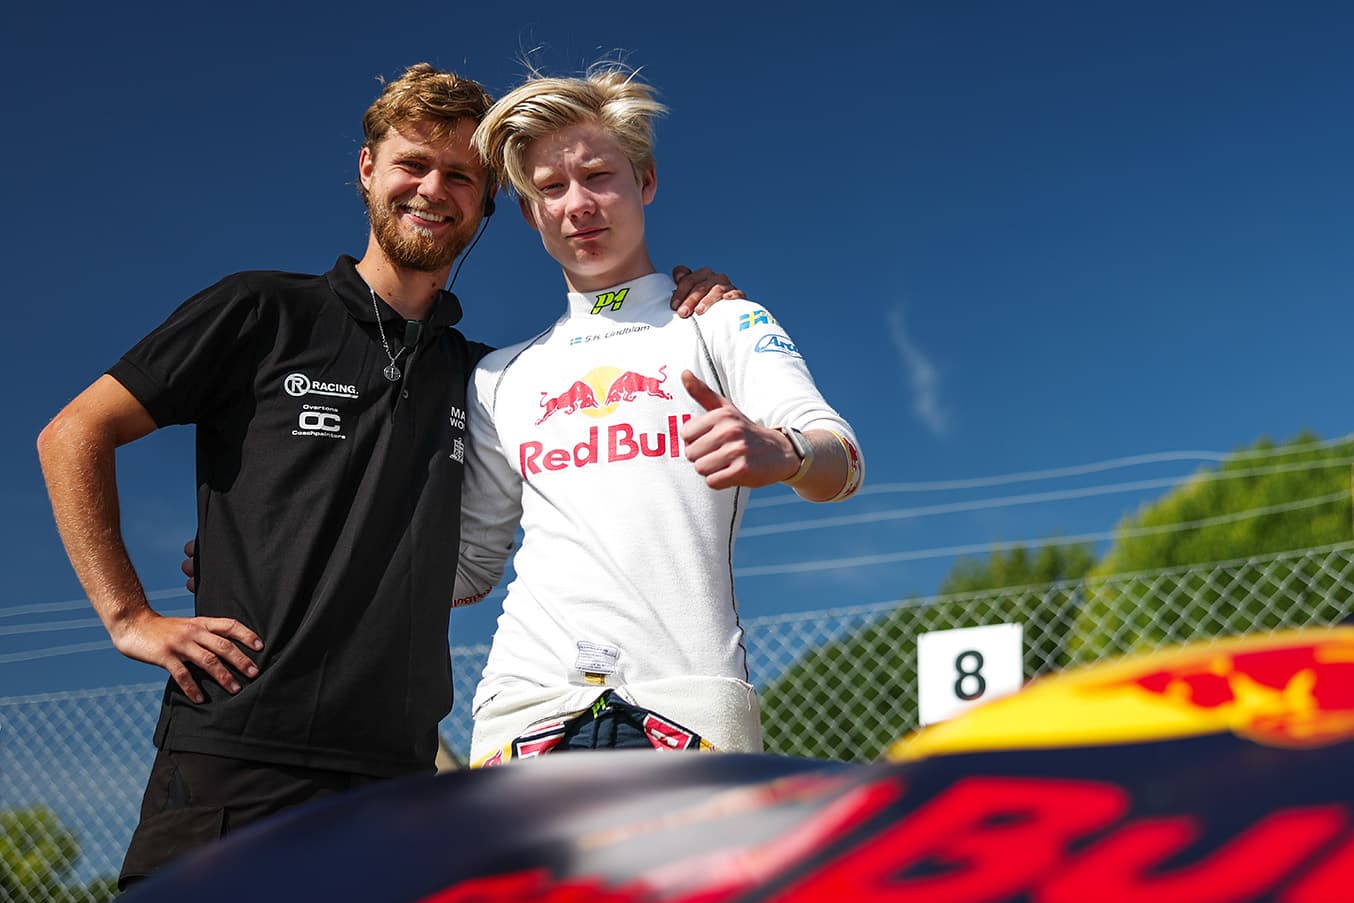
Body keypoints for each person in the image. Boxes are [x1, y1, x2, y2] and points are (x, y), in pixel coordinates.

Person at [35, 62, 738, 888]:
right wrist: (128, 614)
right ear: (368, 169)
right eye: (412, 163)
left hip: (398, 781)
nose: (432, 189)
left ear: (482, 206)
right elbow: (74, 431)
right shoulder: (261, 311)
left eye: (460, 177)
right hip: (234, 759)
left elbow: (477, 559)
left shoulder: (484, 381)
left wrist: (684, 299)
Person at [456, 65, 865, 766]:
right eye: (550, 188)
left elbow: (844, 462)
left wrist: (786, 451)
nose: (577, 204)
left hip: (689, 707)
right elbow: (466, 568)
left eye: (598, 175)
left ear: (644, 180)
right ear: (530, 213)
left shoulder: (722, 322)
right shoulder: (500, 376)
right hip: (522, 711)